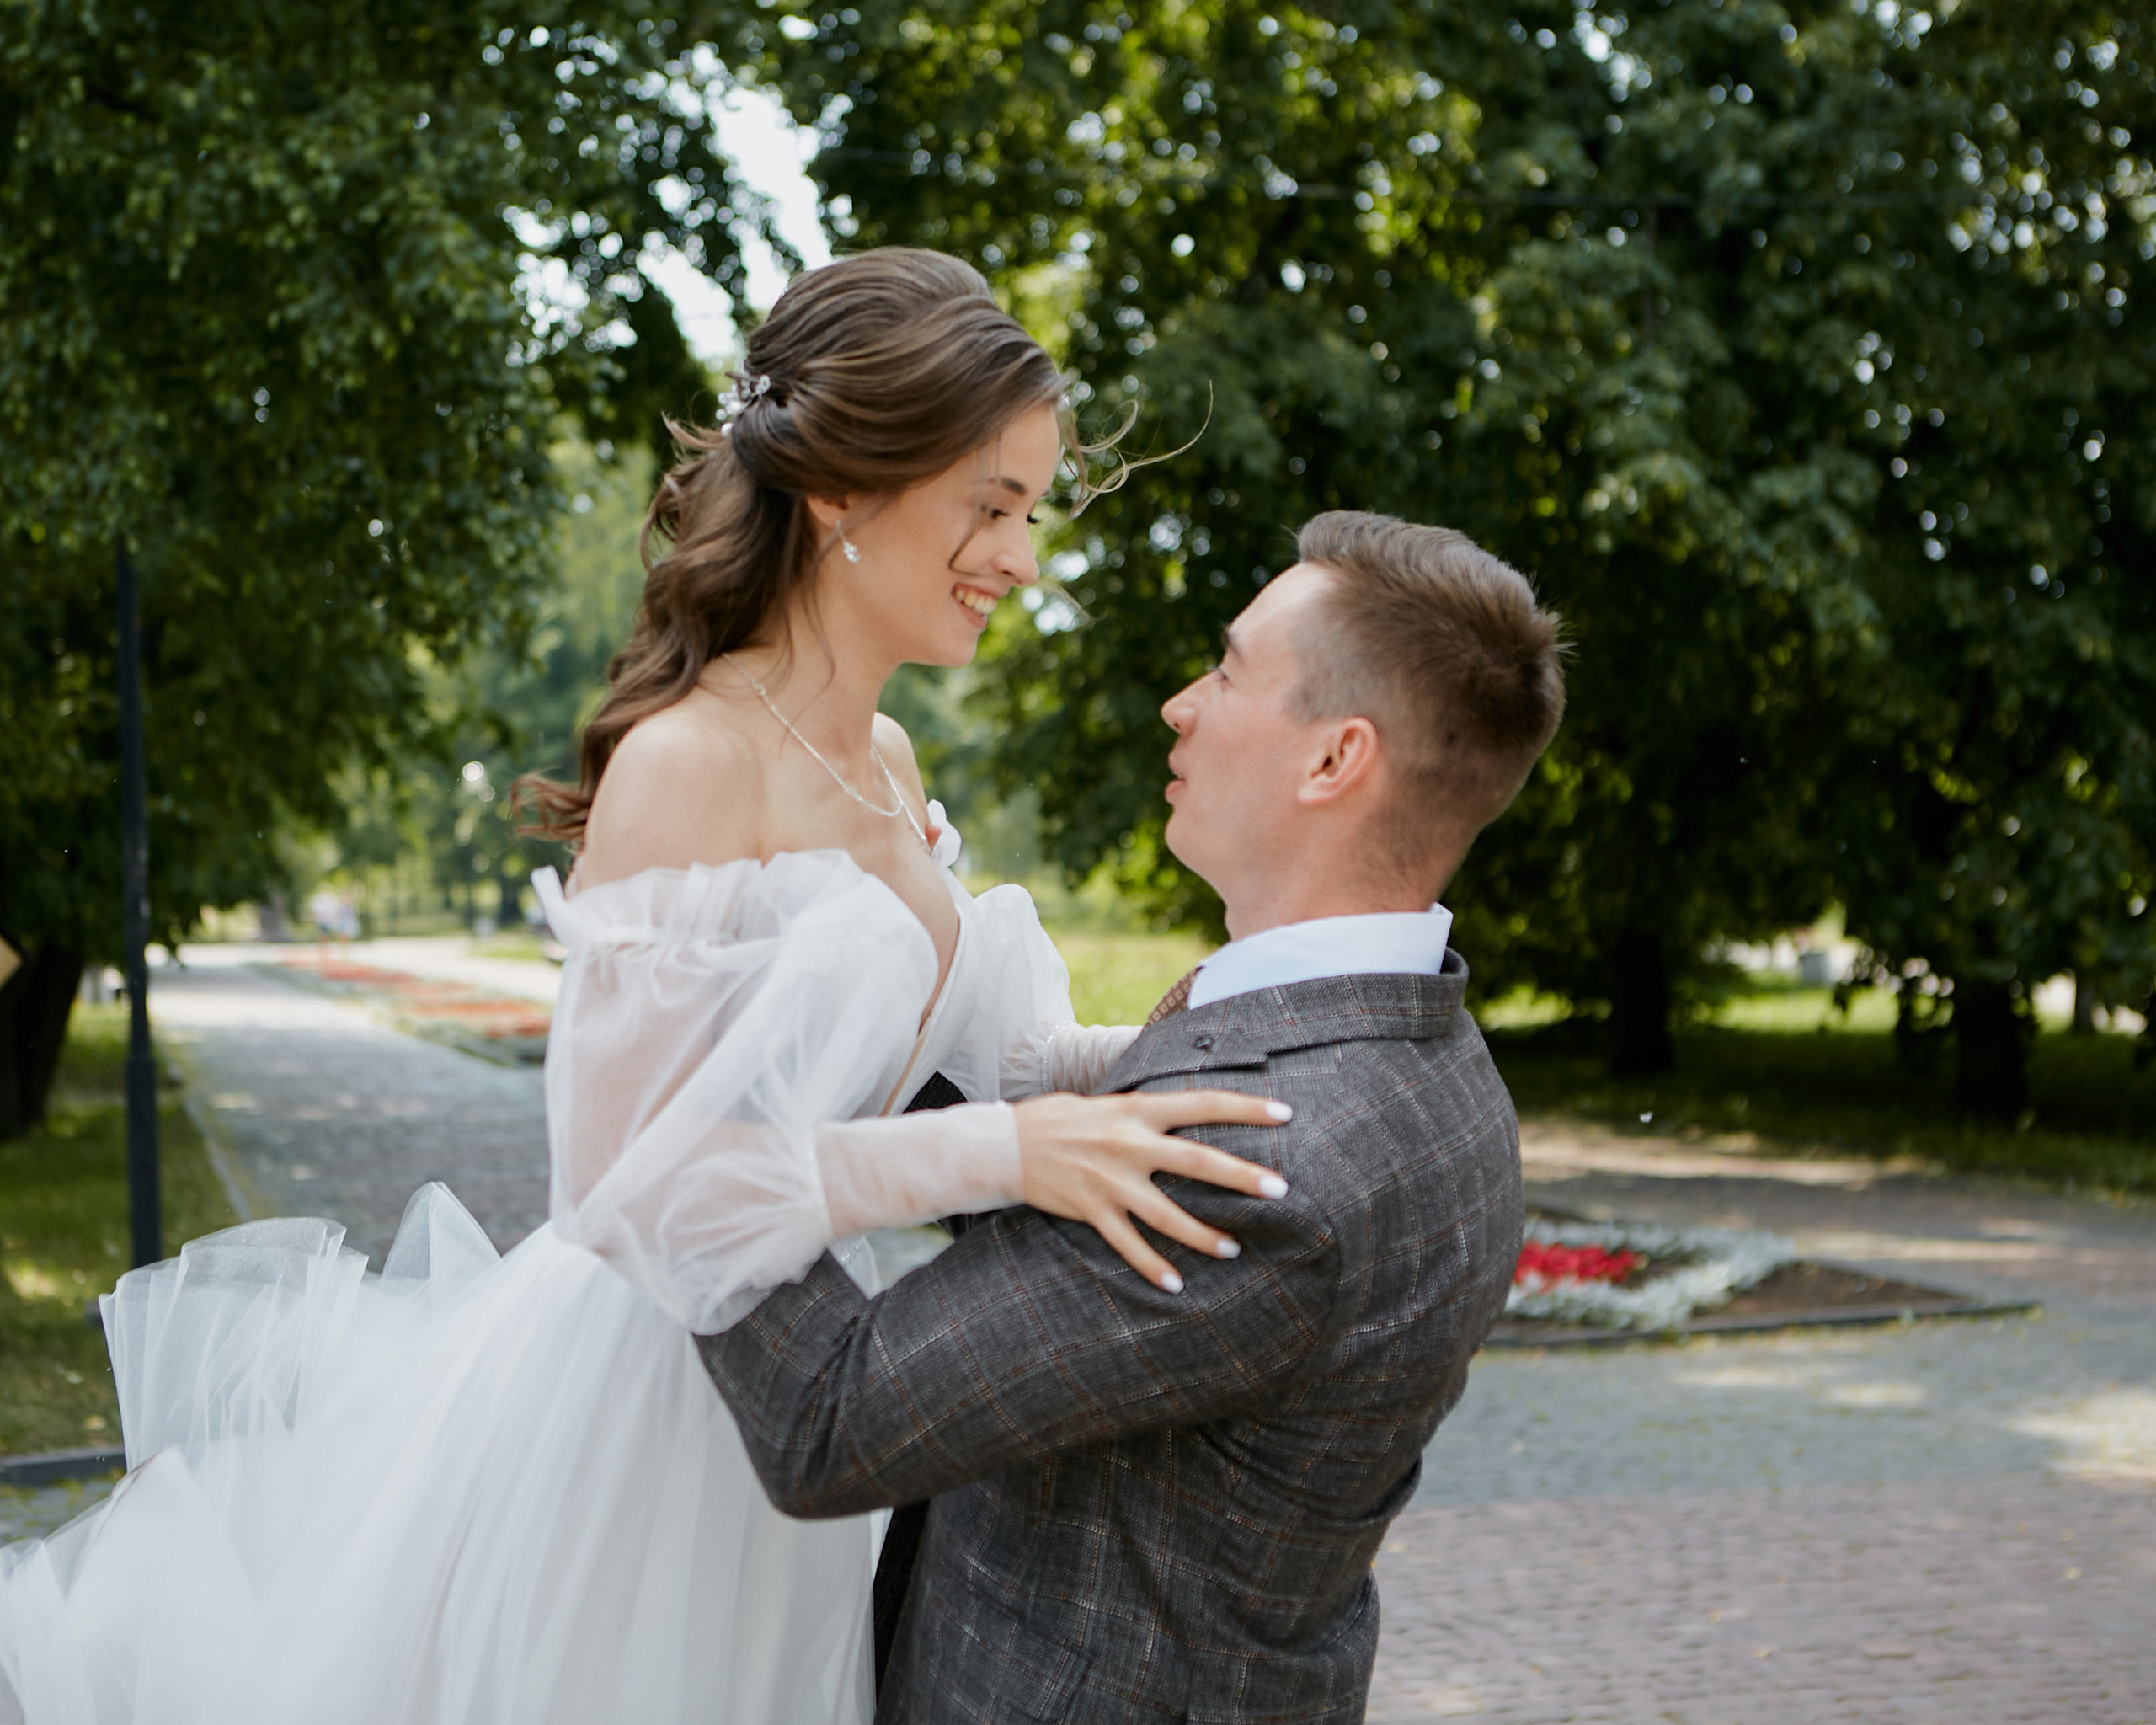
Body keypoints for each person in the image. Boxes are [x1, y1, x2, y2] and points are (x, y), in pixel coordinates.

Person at [0, 249, 1283, 1725]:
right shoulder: (687, 763)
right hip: (634, 1422)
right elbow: (624, 1189)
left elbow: (998, 1053)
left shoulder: (887, 761)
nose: (1021, 556)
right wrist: (1001, 1158)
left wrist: (1207, 1031)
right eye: (990, 507)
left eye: (1031, 512)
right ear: (843, 491)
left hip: (802, 1400)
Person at [699, 510, 1566, 1723]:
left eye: (1226, 668)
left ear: (1333, 762)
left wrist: (690, 1090)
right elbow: (1056, 1193)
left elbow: (828, 1415)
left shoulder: (1262, 1156)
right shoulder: (1422, 1050)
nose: (1181, 703)